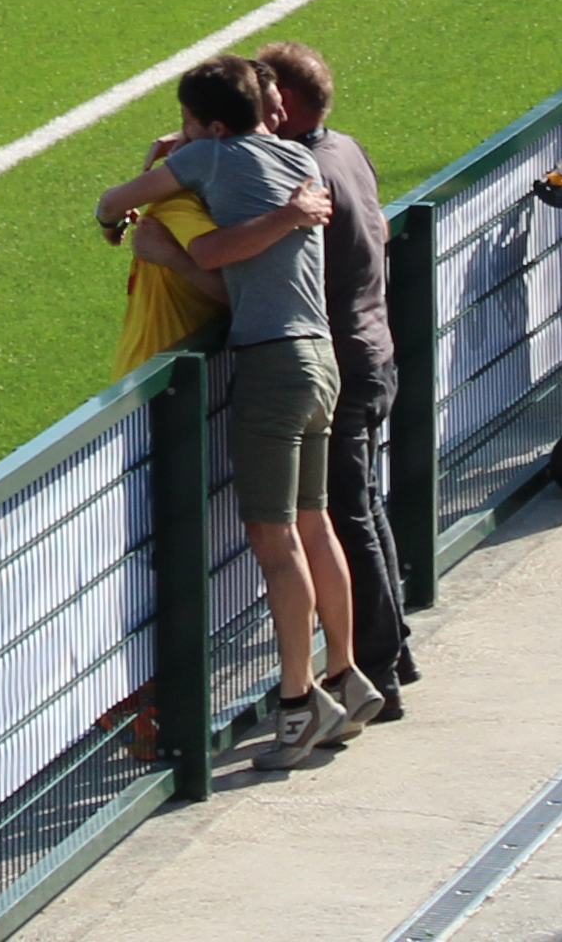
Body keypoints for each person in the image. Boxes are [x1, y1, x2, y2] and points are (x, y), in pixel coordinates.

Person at [96, 55, 384, 770]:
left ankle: (298, 702)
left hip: (273, 363)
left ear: (212, 128)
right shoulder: (296, 156)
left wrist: (151, 217)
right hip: (322, 360)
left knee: (273, 538)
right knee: (315, 522)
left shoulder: (213, 163)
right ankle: (346, 675)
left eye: (191, 123)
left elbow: (116, 202)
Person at [256, 41, 419, 719]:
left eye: (264, 102)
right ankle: (393, 648)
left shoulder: (307, 178)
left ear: (286, 104)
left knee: (346, 515)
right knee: (364, 508)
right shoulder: (344, 149)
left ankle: (374, 669)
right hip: (376, 348)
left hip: (346, 362)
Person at [111, 63, 286, 380]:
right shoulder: (291, 170)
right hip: (173, 373)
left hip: (163, 379)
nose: (279, 122)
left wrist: (167, 255)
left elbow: (239, 293)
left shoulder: (181, 204)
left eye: (186, 122)